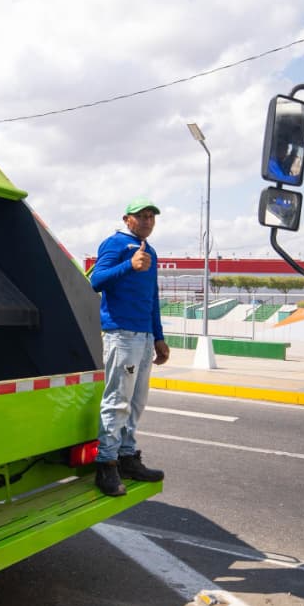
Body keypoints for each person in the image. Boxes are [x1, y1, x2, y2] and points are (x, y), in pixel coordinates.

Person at [88, 198, 170, 496]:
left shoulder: (152, 253)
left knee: (136, 402)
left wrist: (158, 336)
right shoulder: (115, 244)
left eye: (152, 216)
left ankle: (127, 456)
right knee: (117, 400)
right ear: (127, 219)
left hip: (144, 336)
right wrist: (128, 265)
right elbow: (96, 280)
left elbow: (153, 297)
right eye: (142, 216)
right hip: (121, 334)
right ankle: (106, 464)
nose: (148, 221)